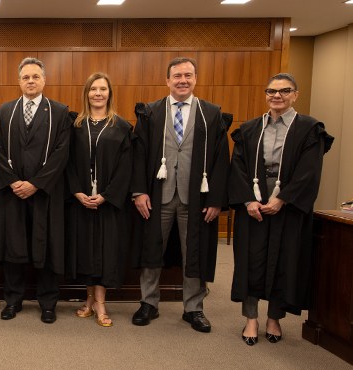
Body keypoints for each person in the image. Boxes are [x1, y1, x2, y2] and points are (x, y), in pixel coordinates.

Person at [229, 73, 333, 345]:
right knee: (249, 262)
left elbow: (309, 171)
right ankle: (250, 318)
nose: (277, 96)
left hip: (288, 206)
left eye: (284, 91)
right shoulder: (250, 129)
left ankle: (274, 317)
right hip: (253, 204)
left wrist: (282, 199)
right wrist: (248, 200)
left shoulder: (309, 129)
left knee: (284, 261)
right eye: (272, 91)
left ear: (295, 95)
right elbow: (237, 167)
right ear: (266, 94)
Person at [131, 57, 230, 333]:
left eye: (188, 75)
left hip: (196, 197)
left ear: (195, 79)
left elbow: (222, 159)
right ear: (167, 80)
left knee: (194, 252)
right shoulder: (151, 113)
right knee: (152, 250)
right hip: (157, 195)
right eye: (177, 76)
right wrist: (139, 192)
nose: (182, 80)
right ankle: (148, 302)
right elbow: (138, 155)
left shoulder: (211, 114)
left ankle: (193, 308)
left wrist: (215, 201)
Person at [0, 57, 71, 324]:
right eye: (26, 77)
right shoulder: (5, 111)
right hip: (13, 193)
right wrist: (13, 182)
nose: (31, 81)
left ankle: (48, 302)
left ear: (44, 80)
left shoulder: (60, 113)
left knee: (46, 247)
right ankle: (13, 300)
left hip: (44, 193)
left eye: (36, 76)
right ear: (19, 81)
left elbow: (62, 153)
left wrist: (35, 183)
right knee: (14, 247)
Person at [65, 72, 133, 327]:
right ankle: (89, 299)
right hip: (81, 201)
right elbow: (67, 162)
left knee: (104, 252)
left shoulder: (122, 127)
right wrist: (76, 191)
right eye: (93, 89)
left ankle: (101, 303)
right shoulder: (76, 126)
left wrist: (106, 195)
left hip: (108, 203)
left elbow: (126, 167)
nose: (98, 93)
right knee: (86, 250)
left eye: (103, 89)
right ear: (87, 93)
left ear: (109, 94)